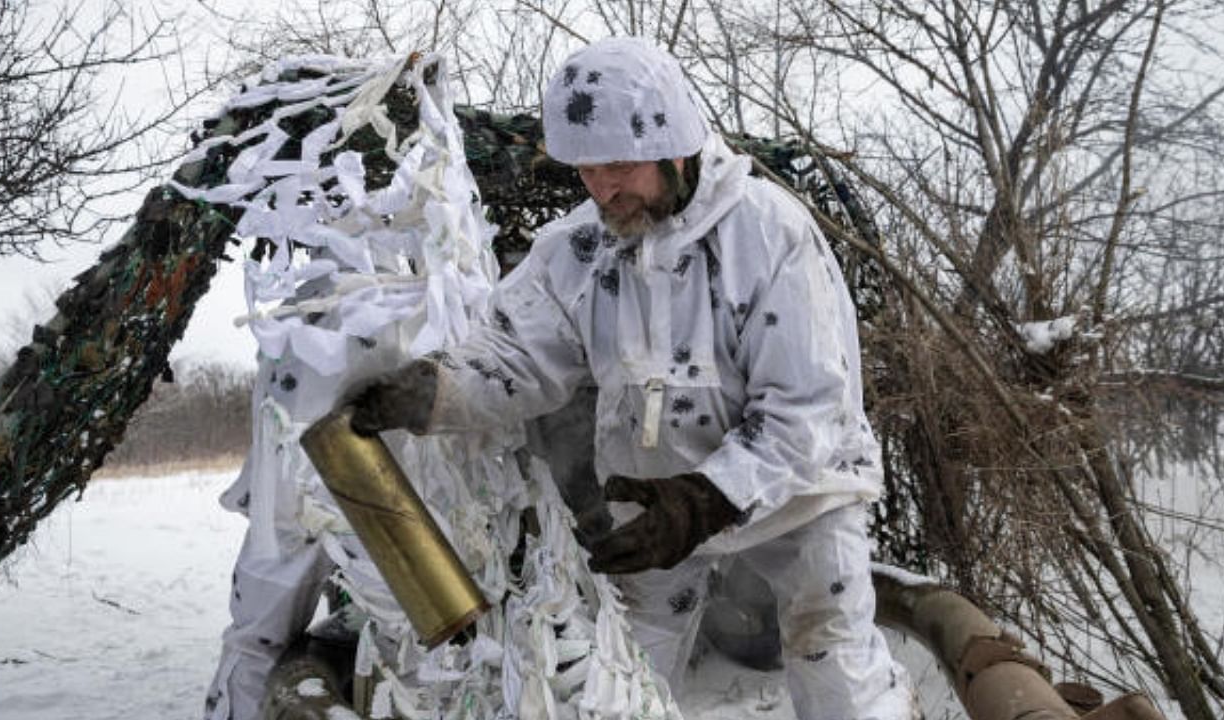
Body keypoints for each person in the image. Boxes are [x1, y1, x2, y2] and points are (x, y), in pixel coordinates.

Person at [350, 37, 915, 718]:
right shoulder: (577, 249)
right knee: (624, 675)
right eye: (586, 171)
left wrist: (708, 497)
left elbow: (807, 411)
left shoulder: (769, 236)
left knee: (833, 659)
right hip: (652, 509)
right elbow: (517, 358)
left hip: (803, 496)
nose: (603, 188)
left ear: (677, 145)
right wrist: (434, 393)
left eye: (618, 165)